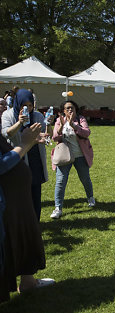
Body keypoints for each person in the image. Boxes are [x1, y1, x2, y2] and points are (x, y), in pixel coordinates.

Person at [0, 122, 54, 302]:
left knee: (23, 238)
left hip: (15, 201)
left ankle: (28, 281)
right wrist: (24, 145)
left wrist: (29, 143)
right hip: (6, 202)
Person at [1, 89, 52, 220]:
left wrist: (49, 125)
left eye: (30, 105)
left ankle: (36, 223)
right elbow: (7, 133)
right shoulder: (8, 115)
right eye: (24, 105)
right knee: (19, 196)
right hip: (17, 159)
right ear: (18, 103)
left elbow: (48, 136)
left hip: (35, 160)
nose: (28, 109)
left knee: (35, 195)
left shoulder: (38, 116)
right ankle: (21, 225)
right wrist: (19, 122)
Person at [50, 100, 95, 219]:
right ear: (63, 111)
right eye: (67, 108)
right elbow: (55, 137)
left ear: (76, 109)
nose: (70, 110)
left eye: (72, 108)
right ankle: (58, 208)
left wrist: (73, 125)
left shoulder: (81, 119)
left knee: (85, 178)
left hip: (80, 155)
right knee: (60, 181)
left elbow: (86, 133)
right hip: (64, 156)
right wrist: (60, 128)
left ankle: (90, 198)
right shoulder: (59, 120)